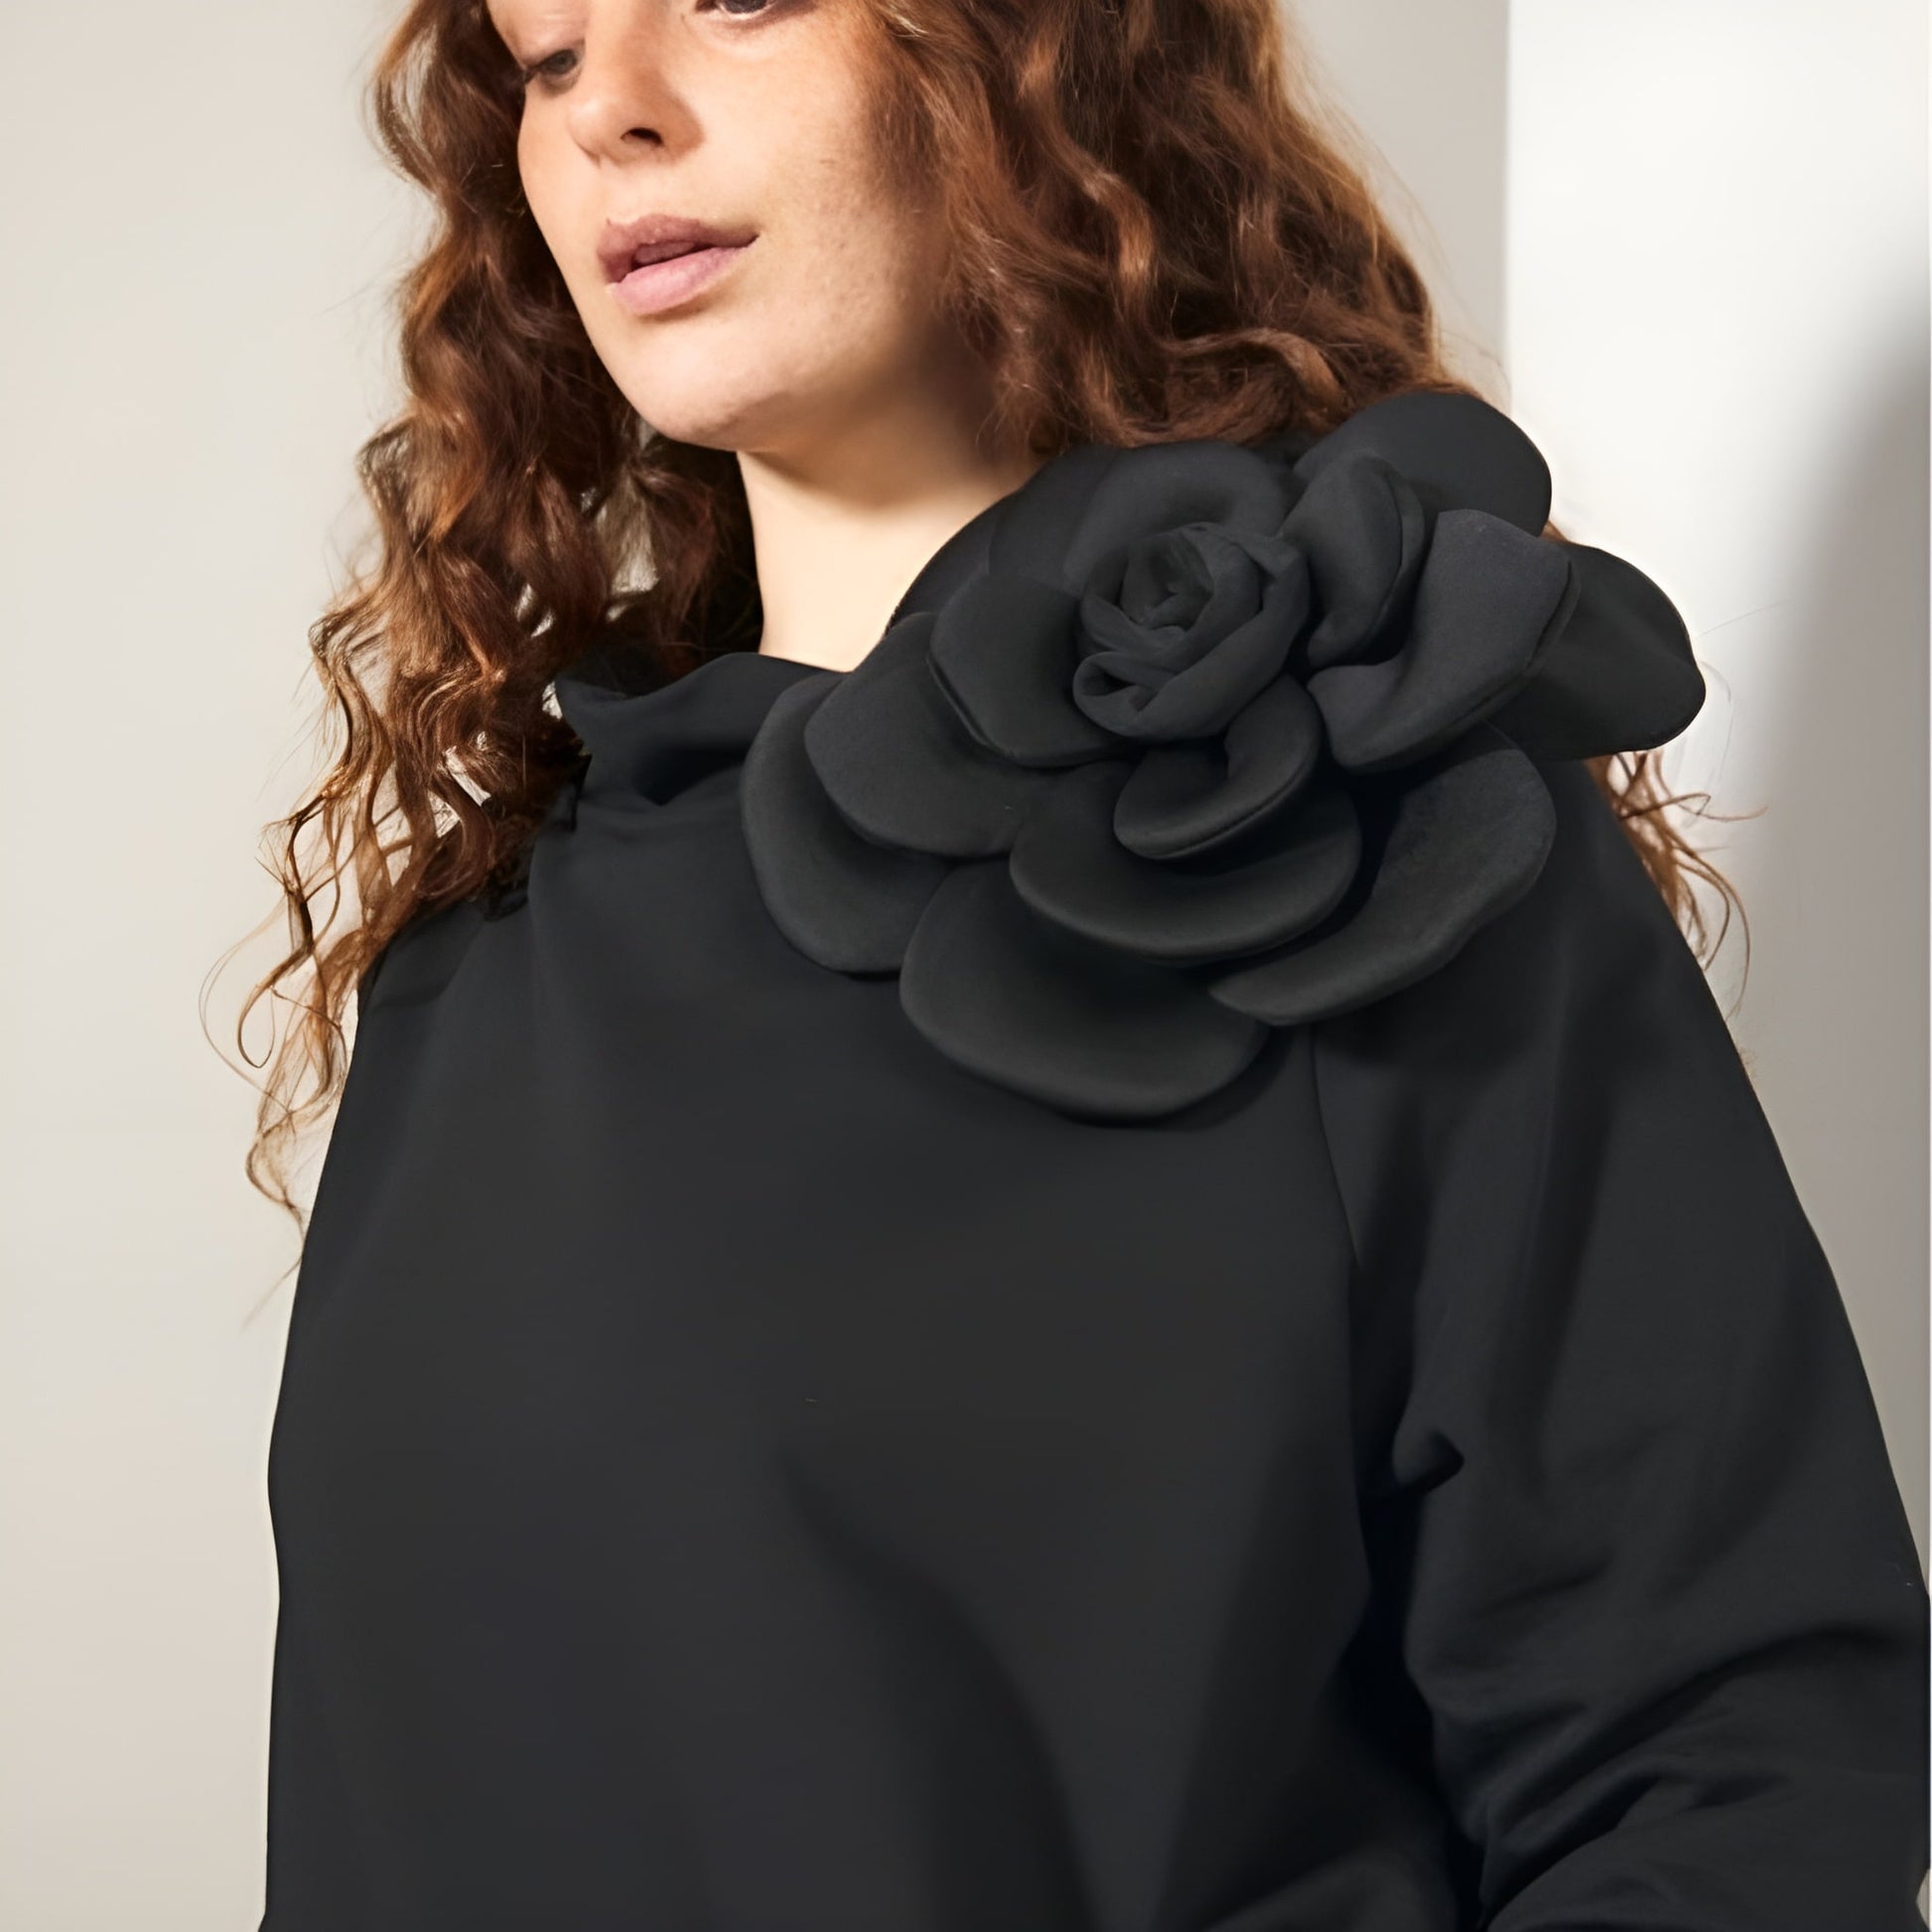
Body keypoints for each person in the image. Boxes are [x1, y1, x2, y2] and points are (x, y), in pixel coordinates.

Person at [240, 1, 1929, 1926]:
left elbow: (1732, 1761)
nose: (608, 107)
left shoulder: (1376, 839)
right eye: (543, 55)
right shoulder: (476, 955)